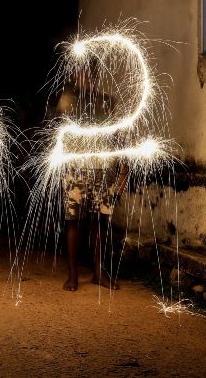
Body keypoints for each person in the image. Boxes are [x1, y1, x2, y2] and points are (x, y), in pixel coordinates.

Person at [56, 67, 128, 291]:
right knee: (73, 221)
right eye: (81, 74)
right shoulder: (68, 99)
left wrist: (123, 168)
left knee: (102, 221)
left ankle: (99, 272)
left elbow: (119, 134)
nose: (86, 78)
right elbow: (59, 128)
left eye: (90, 74)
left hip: (103, 169)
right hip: (75, 169)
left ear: (96, 77)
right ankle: (73, 274)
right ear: (74, 76)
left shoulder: (108, 100)